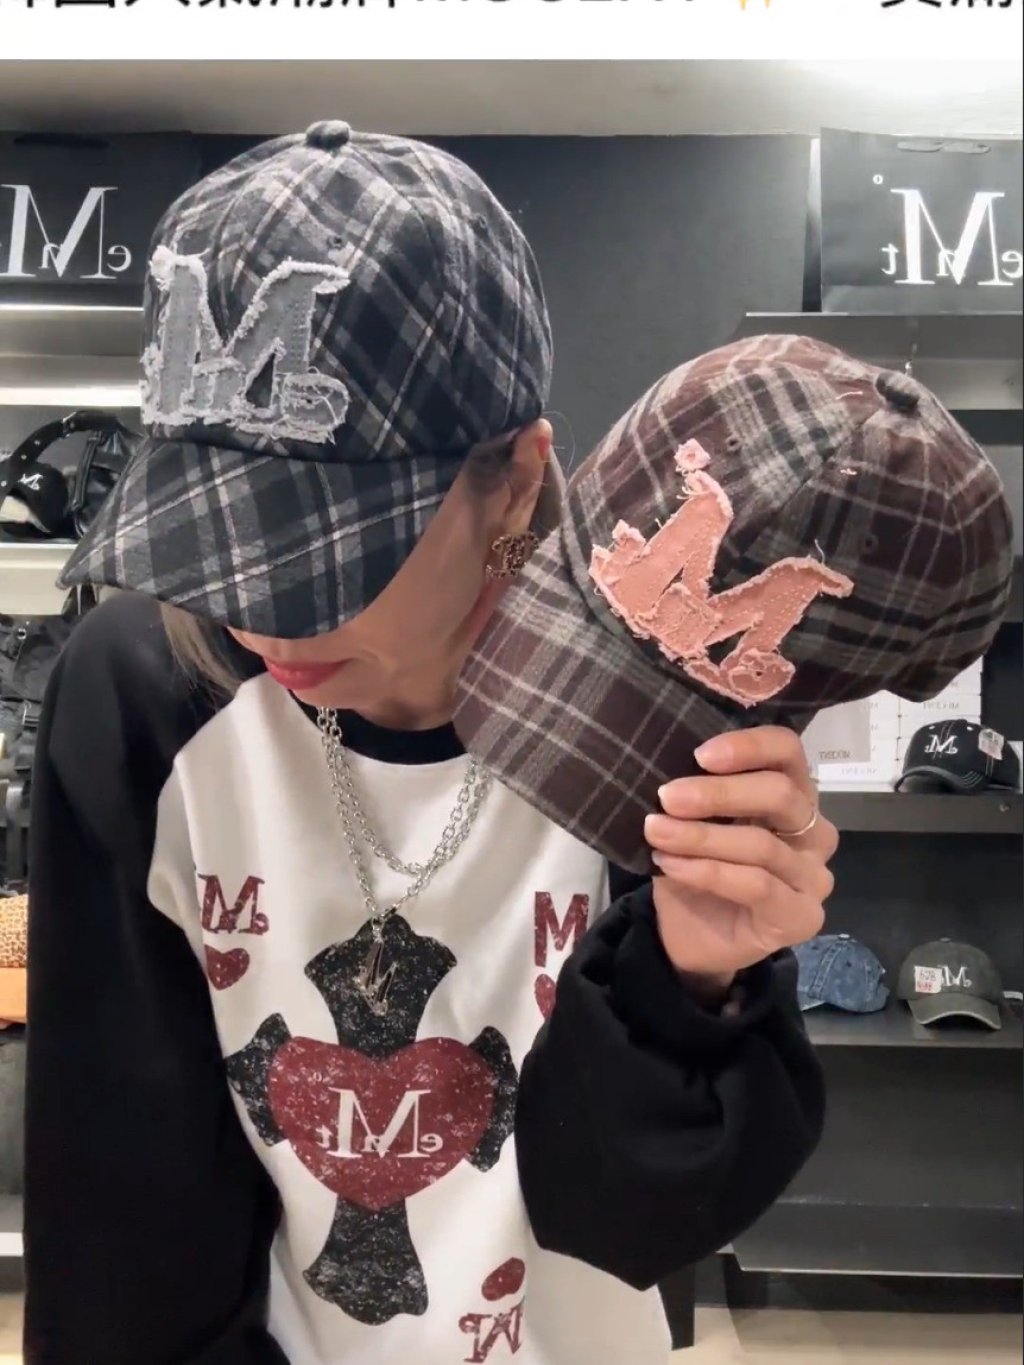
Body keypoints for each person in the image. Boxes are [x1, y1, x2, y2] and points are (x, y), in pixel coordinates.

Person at [24, 124, 833, 1365]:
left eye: (326, 552)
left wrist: (693, 990)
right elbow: (123, 1209)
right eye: (214, 537)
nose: (258, 617)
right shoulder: (142, 693)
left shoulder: (656, 714)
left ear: (515, 477)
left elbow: (633, 1224)